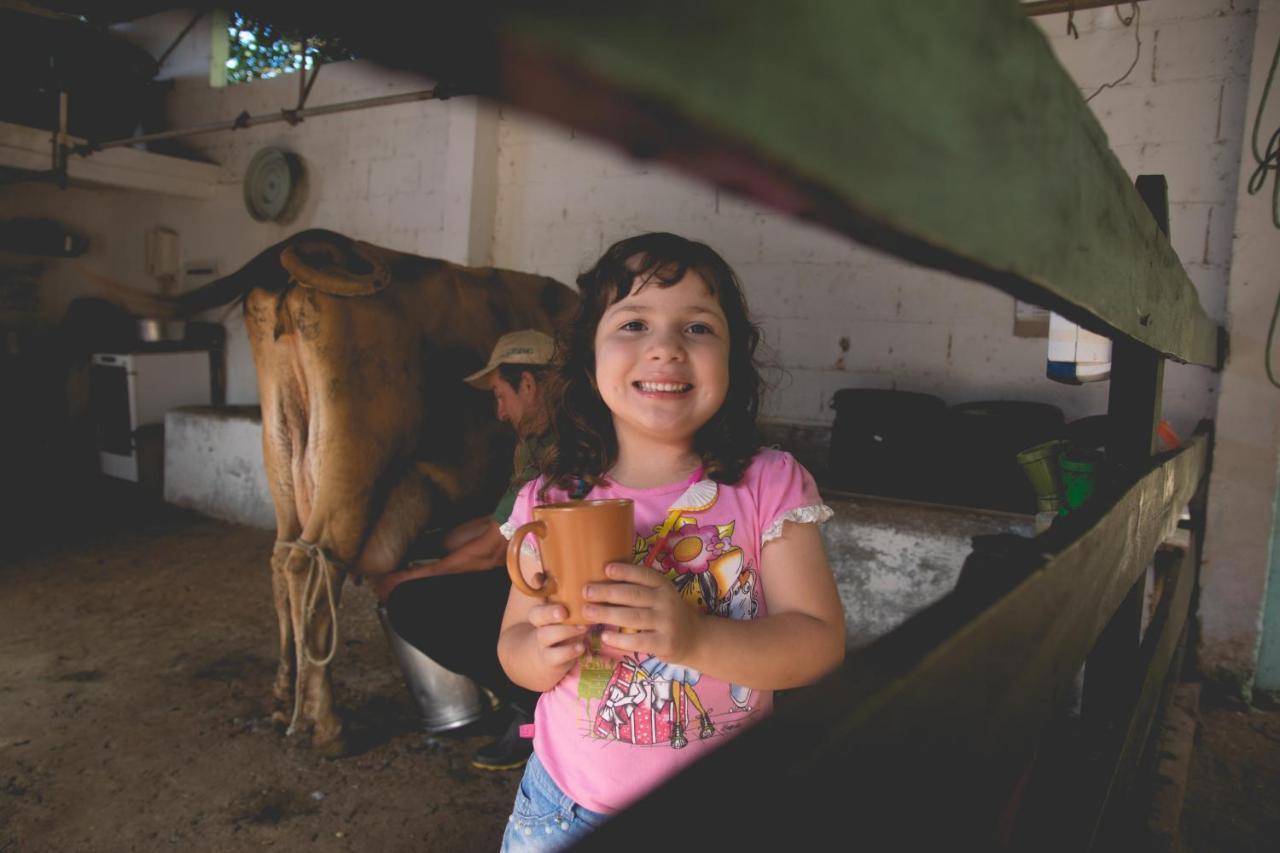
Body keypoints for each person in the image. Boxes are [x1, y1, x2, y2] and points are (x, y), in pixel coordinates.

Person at [496, 233, 846, 850]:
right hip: (566, 809)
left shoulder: (768, 484)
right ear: (588, 359)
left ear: (733, 358)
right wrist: (541, 651)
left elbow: (817, 643)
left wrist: (694, 637)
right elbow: (513, 648)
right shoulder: (551, 500)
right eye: (633, 324)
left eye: (699, 328)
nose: (665, 348)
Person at [371, 329, 556, 771]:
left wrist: (408, 578)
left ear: (528, 385)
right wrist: (432, 542)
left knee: (409, 606)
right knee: (441, 557)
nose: (498, 412)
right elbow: (496, 523)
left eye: (500, 395)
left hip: (553, 587)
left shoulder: (557, 447)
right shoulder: (534, 440)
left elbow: (497, 551)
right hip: (536, 571)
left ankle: (532, 704)